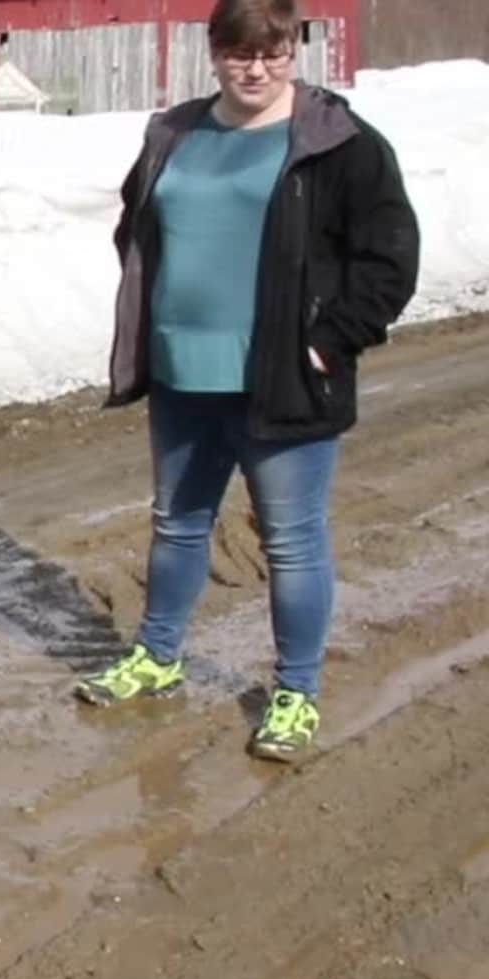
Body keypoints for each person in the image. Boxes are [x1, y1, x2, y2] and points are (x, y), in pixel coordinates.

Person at [75, 0, 419, 761]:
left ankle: (296, 693)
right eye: (239, 54)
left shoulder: (338, 142)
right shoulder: (175, 132)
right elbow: (140, 223)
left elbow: (389, 255)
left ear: (294, 49)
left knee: (291, 543)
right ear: (214, 53)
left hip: (286, 378)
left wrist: (332, 340)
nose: (255, 69)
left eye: (272, 52)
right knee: (177, 523)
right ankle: (158, 657)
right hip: (182, 372)